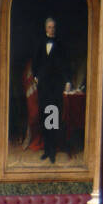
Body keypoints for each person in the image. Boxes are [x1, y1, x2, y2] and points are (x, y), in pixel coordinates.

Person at [32, 17, 68, 164]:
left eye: (54, 27)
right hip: (44, 88)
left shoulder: (60, 44)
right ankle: (47, 150)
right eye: (49, 27)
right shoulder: (40, 43)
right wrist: (35, 76)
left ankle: (52, 151)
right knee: (45, 118)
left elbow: (66, 64)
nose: (52, 29)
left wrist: (67, 81)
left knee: (54, 119)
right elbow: (35, 61)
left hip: (56, 87)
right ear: (46, 28)